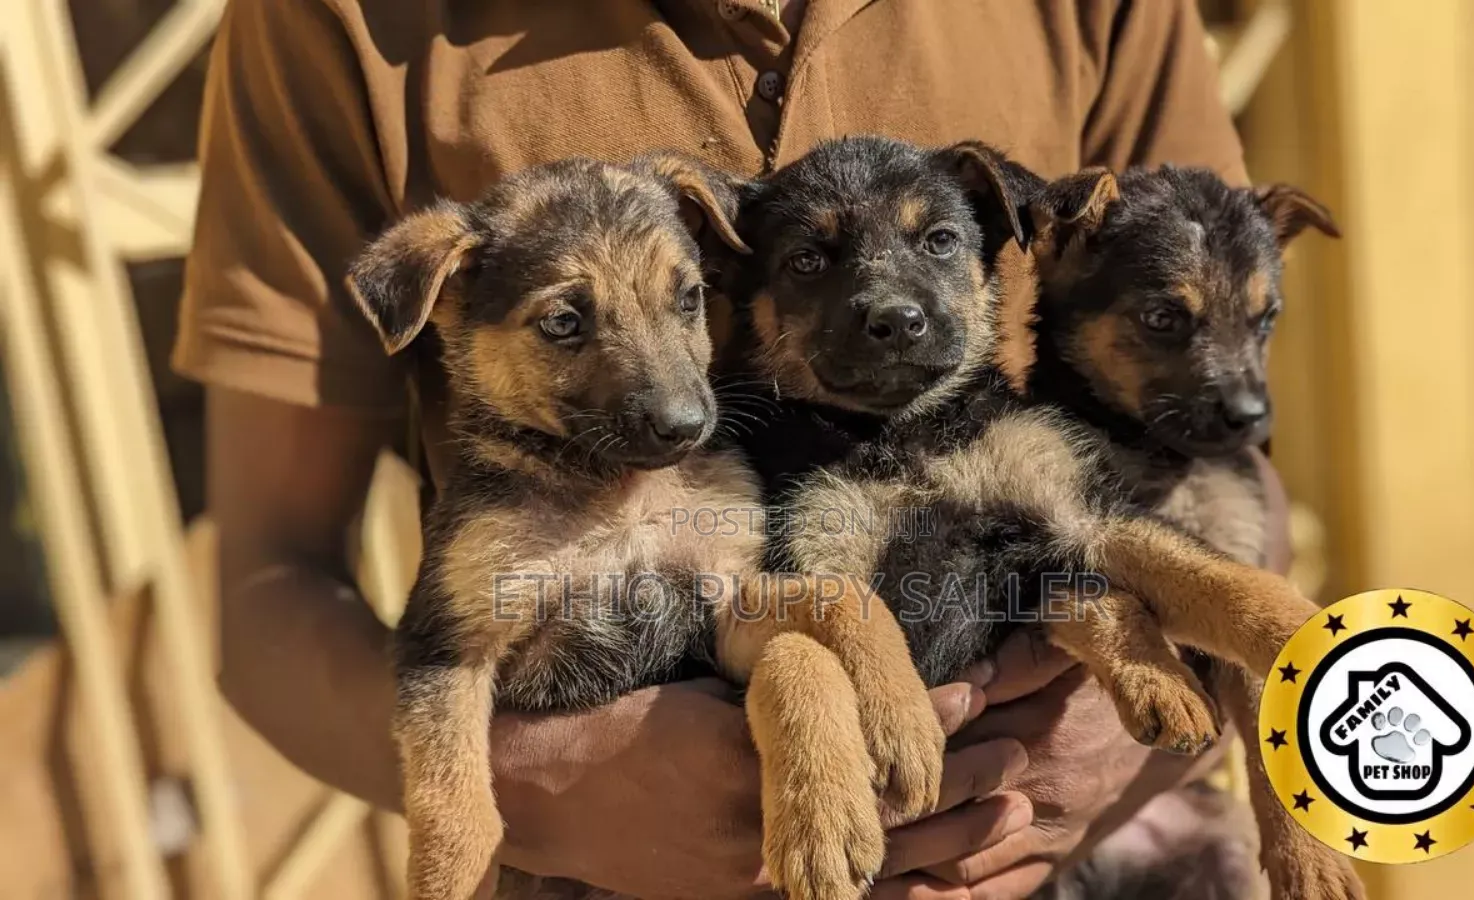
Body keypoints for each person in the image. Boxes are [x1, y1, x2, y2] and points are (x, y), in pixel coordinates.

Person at [176, 1, 1288, 897]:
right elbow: (266, 582)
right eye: (569, 322)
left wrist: (1130, 750)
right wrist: (552, 785)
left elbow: (1217, 458)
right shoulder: (340, 22)